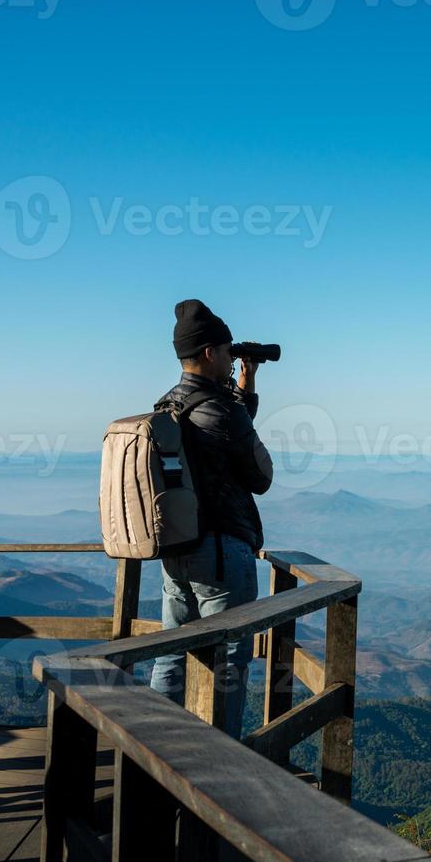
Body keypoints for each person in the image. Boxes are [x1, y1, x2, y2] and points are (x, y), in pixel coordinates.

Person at [148, 299, 274, 738]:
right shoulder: (220, 409)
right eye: (227, 352)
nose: (231, 358)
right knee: (229, 663)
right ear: (208, 354)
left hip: (179, 549)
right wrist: (241, 407)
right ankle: (221, 767)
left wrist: (245, 388)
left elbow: (214, 447)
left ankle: (152, 755)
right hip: (222, 554)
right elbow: (260, 476)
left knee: (171, 655)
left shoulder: (169, 405)